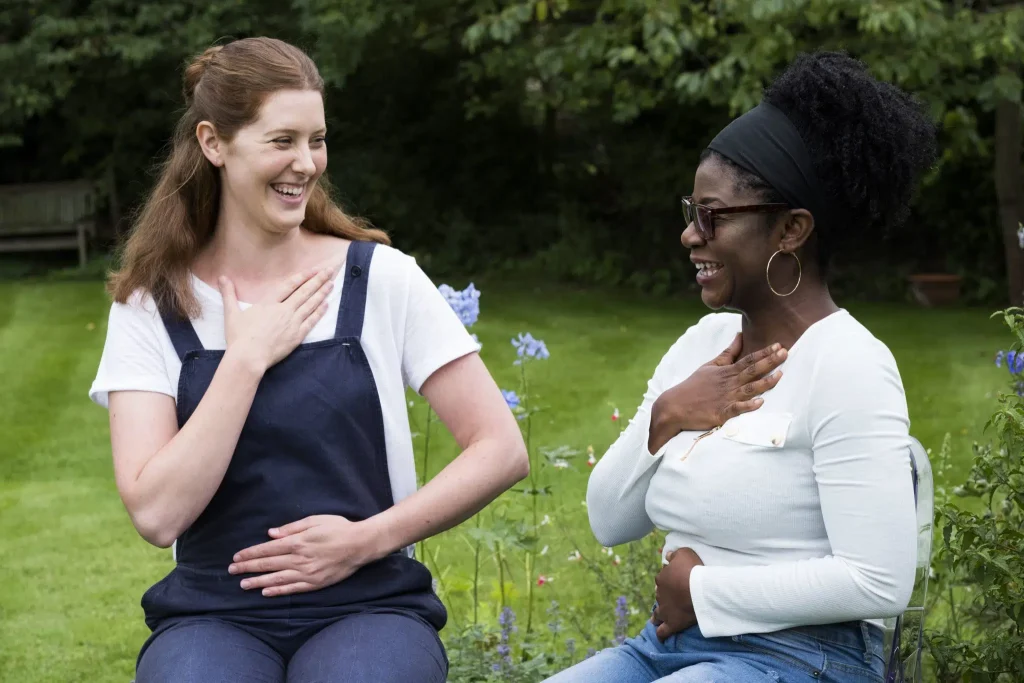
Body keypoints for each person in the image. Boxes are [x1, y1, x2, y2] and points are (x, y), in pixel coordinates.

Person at [88, 36, 528, 683]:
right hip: (211, 617)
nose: (306, 162)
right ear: (214, 143)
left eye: (316, 139)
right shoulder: (150, 307)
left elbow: (500, 447)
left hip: (371, 605)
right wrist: (246, 360)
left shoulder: (381, 279)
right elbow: (156, 514)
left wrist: (366, 539)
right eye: (281, 140)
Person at [544, 51, 936, 683]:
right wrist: (668, 414)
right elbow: (609, 520)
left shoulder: (850, 365)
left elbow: (878, 580)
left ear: (791, 228)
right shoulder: (702, 342)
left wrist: (707, 592)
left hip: (809, 657)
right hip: (664, 647)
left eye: (713, 215)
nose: (690, 235)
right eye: (691, 211)